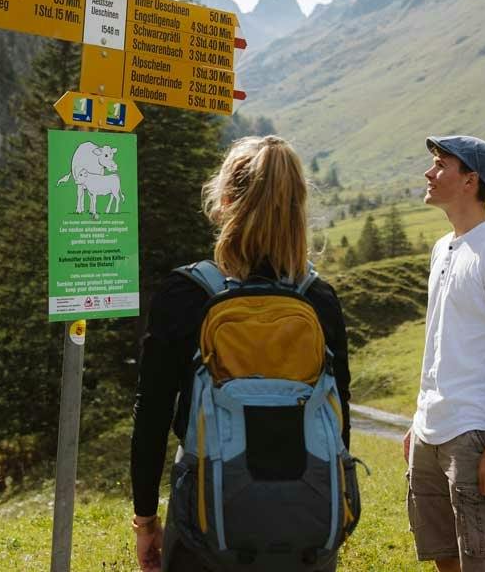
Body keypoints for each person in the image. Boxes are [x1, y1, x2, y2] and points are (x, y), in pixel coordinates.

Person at [129, 135, 351, 571]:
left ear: (225, 201)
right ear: (297, 207)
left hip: (206, 519)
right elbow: (339, 414)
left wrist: (146, 520)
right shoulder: (318, 299)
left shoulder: (186, 293)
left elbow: (152, 414)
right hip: (306, 527)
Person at [404, 135, 485, 572]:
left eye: (441, 164)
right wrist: (419, 420)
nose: (429, 172)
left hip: (478, 432)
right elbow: (442, 343)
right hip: (432, 430)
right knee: (444, 556)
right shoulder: (443, 247)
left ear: (469, 180)